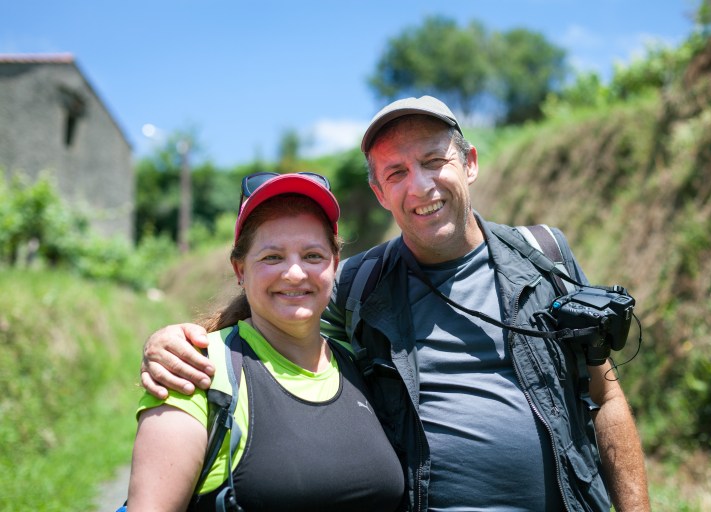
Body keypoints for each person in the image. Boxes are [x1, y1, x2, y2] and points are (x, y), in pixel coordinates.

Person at [141, 97, 650, 511]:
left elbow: (605, 399)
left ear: (469, 163)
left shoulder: (544, 258)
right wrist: (175, 341)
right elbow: (278, 310)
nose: (420, 186)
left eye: (433, 161)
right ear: (379, 192)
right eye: (396, 172)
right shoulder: (359, 285)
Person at [128, 173, 405, 511]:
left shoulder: (359, 364)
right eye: (272, 257)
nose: (295, 273)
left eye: (312, 255)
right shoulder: (194, 371)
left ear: (334, 264)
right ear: (240, 270)